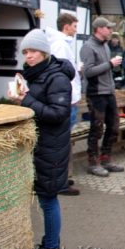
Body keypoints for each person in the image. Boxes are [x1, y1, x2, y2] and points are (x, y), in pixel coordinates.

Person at [7, 29, 74, 249]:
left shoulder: (56, 78)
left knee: (48, 200)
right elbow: (36, 107)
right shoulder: (34, 75)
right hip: (38, 146)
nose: (29, 56)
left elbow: (58, 114)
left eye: (33, 51)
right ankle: (47, 247)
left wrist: (25, 100)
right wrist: (20, 97)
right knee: (44, 199)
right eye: (25, 52)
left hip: (51, 147)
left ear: (44, 52)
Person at [80, 17, 125, 177]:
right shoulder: (88, 47)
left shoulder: (105, 46)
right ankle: (93, 162)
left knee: (113, 127)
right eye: (108, 27)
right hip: (96, 94)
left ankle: (106, 158)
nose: (110, 30)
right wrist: (110, 64)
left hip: (108, 92)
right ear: (99, 29)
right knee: (97, 128)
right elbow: (89, 71)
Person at [46, 12, 82, 196]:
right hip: (65, 101)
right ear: (66, 26)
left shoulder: (62, 43)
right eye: (75, 26)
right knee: (62, 142)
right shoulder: (60, 45)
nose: (76, 30)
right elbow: (60, 74)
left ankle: (62, 177)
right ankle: (60, 181)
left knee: (64, 141)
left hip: (69, 99)